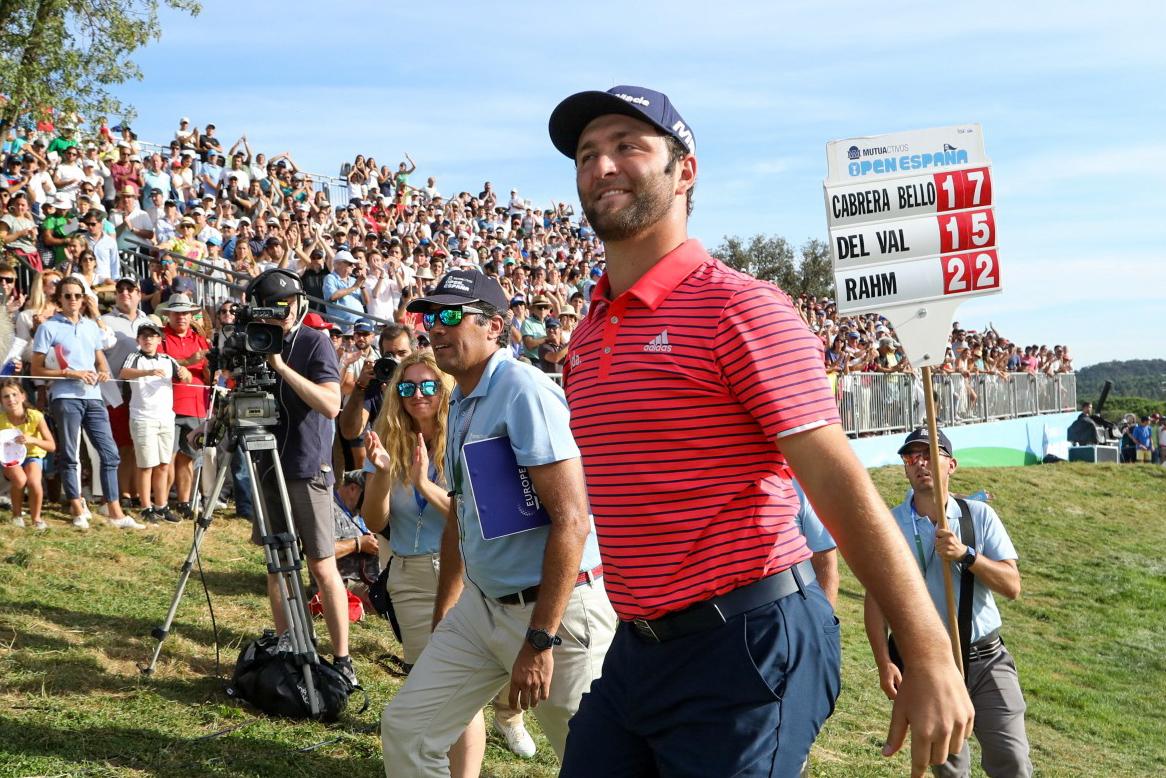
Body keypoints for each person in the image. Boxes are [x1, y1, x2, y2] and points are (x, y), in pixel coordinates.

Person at [547, 85, 973, 777]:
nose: (602, 166)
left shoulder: (739, 308)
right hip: (638, 648)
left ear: (685, 170)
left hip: (746, 642)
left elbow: (837, 482)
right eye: (588, 154)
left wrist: (925, 650)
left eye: (628, 145)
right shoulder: (588, 331)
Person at [380, 270, 616, 776]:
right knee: (408, 730)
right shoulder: (463, 398)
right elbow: (463, 515)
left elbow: (572, 520)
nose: (435, 328)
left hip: (558, 614)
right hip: (483, 605)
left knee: (592, 760)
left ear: (495, 327)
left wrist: (540, 640)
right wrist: (448, 607)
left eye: (450, 315)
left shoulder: (522, 389)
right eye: (429, 317)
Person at [864, 428, 1032, 778]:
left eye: (929, 454)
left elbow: (1012, 585)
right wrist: (884, 661)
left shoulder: (977, 516)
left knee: (1012, 760)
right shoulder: (889, 525)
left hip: (985, 660)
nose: (920, 462)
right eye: (911, 457)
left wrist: (966, 555)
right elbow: (876, 600)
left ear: (951, 465)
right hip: (926, 665)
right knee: (948, 768)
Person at [363, 352, 489, 775]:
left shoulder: (465, 436)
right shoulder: (388, 440)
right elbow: (375, 521)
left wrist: (422, 484)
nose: (418, 394)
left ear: (444, 389)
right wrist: (383, 473)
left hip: (457, 574)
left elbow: (471, 515)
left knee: (458, 692)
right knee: (432, 684)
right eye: (408, 386)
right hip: (409, 577)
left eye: (428, 385)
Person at [245, 268, 355, 687]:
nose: (279, 315)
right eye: (270, 308)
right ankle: (286, 642)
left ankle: (342, 657)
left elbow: (331, 404)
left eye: (285, 306)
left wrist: (279, 366)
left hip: (307, 467)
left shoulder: (314, 341)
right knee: (275, 564)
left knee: (321, 565)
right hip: (266, 466)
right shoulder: (252, 342)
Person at [31, 276, 140, 529]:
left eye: (77, 296)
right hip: (65, 396)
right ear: (59, 299)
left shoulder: (91, 327)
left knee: (110, 453)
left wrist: (102, 371)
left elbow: (99, 358)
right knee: (70, 455)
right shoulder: (49, 327)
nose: (72, 300)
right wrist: (68, 373)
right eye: (67, 295)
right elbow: (36, 368)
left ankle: (114, 510)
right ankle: (77, 506)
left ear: (83, 299)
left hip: (93, 396)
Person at [120, 319, 192, 523]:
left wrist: (185, 373)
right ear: (139, 340)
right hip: (143, 418)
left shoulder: (168, 359)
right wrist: (147, 372)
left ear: (159, 339)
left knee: (163, 464)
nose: (148, 339)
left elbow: (184, 378)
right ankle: (146, 507)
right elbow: (124, 374)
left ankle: (161, 506)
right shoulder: (134, 357)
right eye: (144, 336)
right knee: (145, 465)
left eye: (152, 336)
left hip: (166, 418)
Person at [157, 292, 210, 517]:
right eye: (177, 313)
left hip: (197, 404)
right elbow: (160, 364)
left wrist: (208, 368)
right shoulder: (160, 337)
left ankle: (184, 502)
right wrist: (189, 362)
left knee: (187, 457)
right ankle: (161, 504)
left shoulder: (199, 337)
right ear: (168, 314)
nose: (181, 317)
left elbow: (207, 370)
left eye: (185, 313)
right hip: (168, 404)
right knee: (167, 458)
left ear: (191, 315)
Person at [0, 379, 56, 530]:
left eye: (14, 394)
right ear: (1, 401)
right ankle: (16, 516)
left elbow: (51, 446)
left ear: (23, 396)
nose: (11, 399)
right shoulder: (1, 420)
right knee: (19, 479)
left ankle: (36, 519)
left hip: (33, 455)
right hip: (9, 458)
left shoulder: (36, 416)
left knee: (33, 482)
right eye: (6, 396)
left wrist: (32, 439)